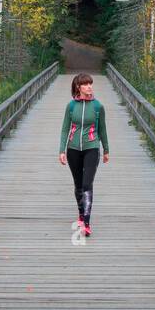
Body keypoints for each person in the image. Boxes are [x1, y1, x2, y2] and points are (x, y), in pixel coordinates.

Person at [58, 73, 109, 236]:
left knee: (87, 184)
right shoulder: (71, 106)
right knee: (78, 184)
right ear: (78, 87)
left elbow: (102, 129)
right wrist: (61, 150)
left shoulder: (98, 106)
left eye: (90, 84)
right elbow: (65, 128)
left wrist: (106, 149)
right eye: (85, 84)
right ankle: (81, 213)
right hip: (73, 149)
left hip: (92, 148)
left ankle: (86, 222)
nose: (89, 87)